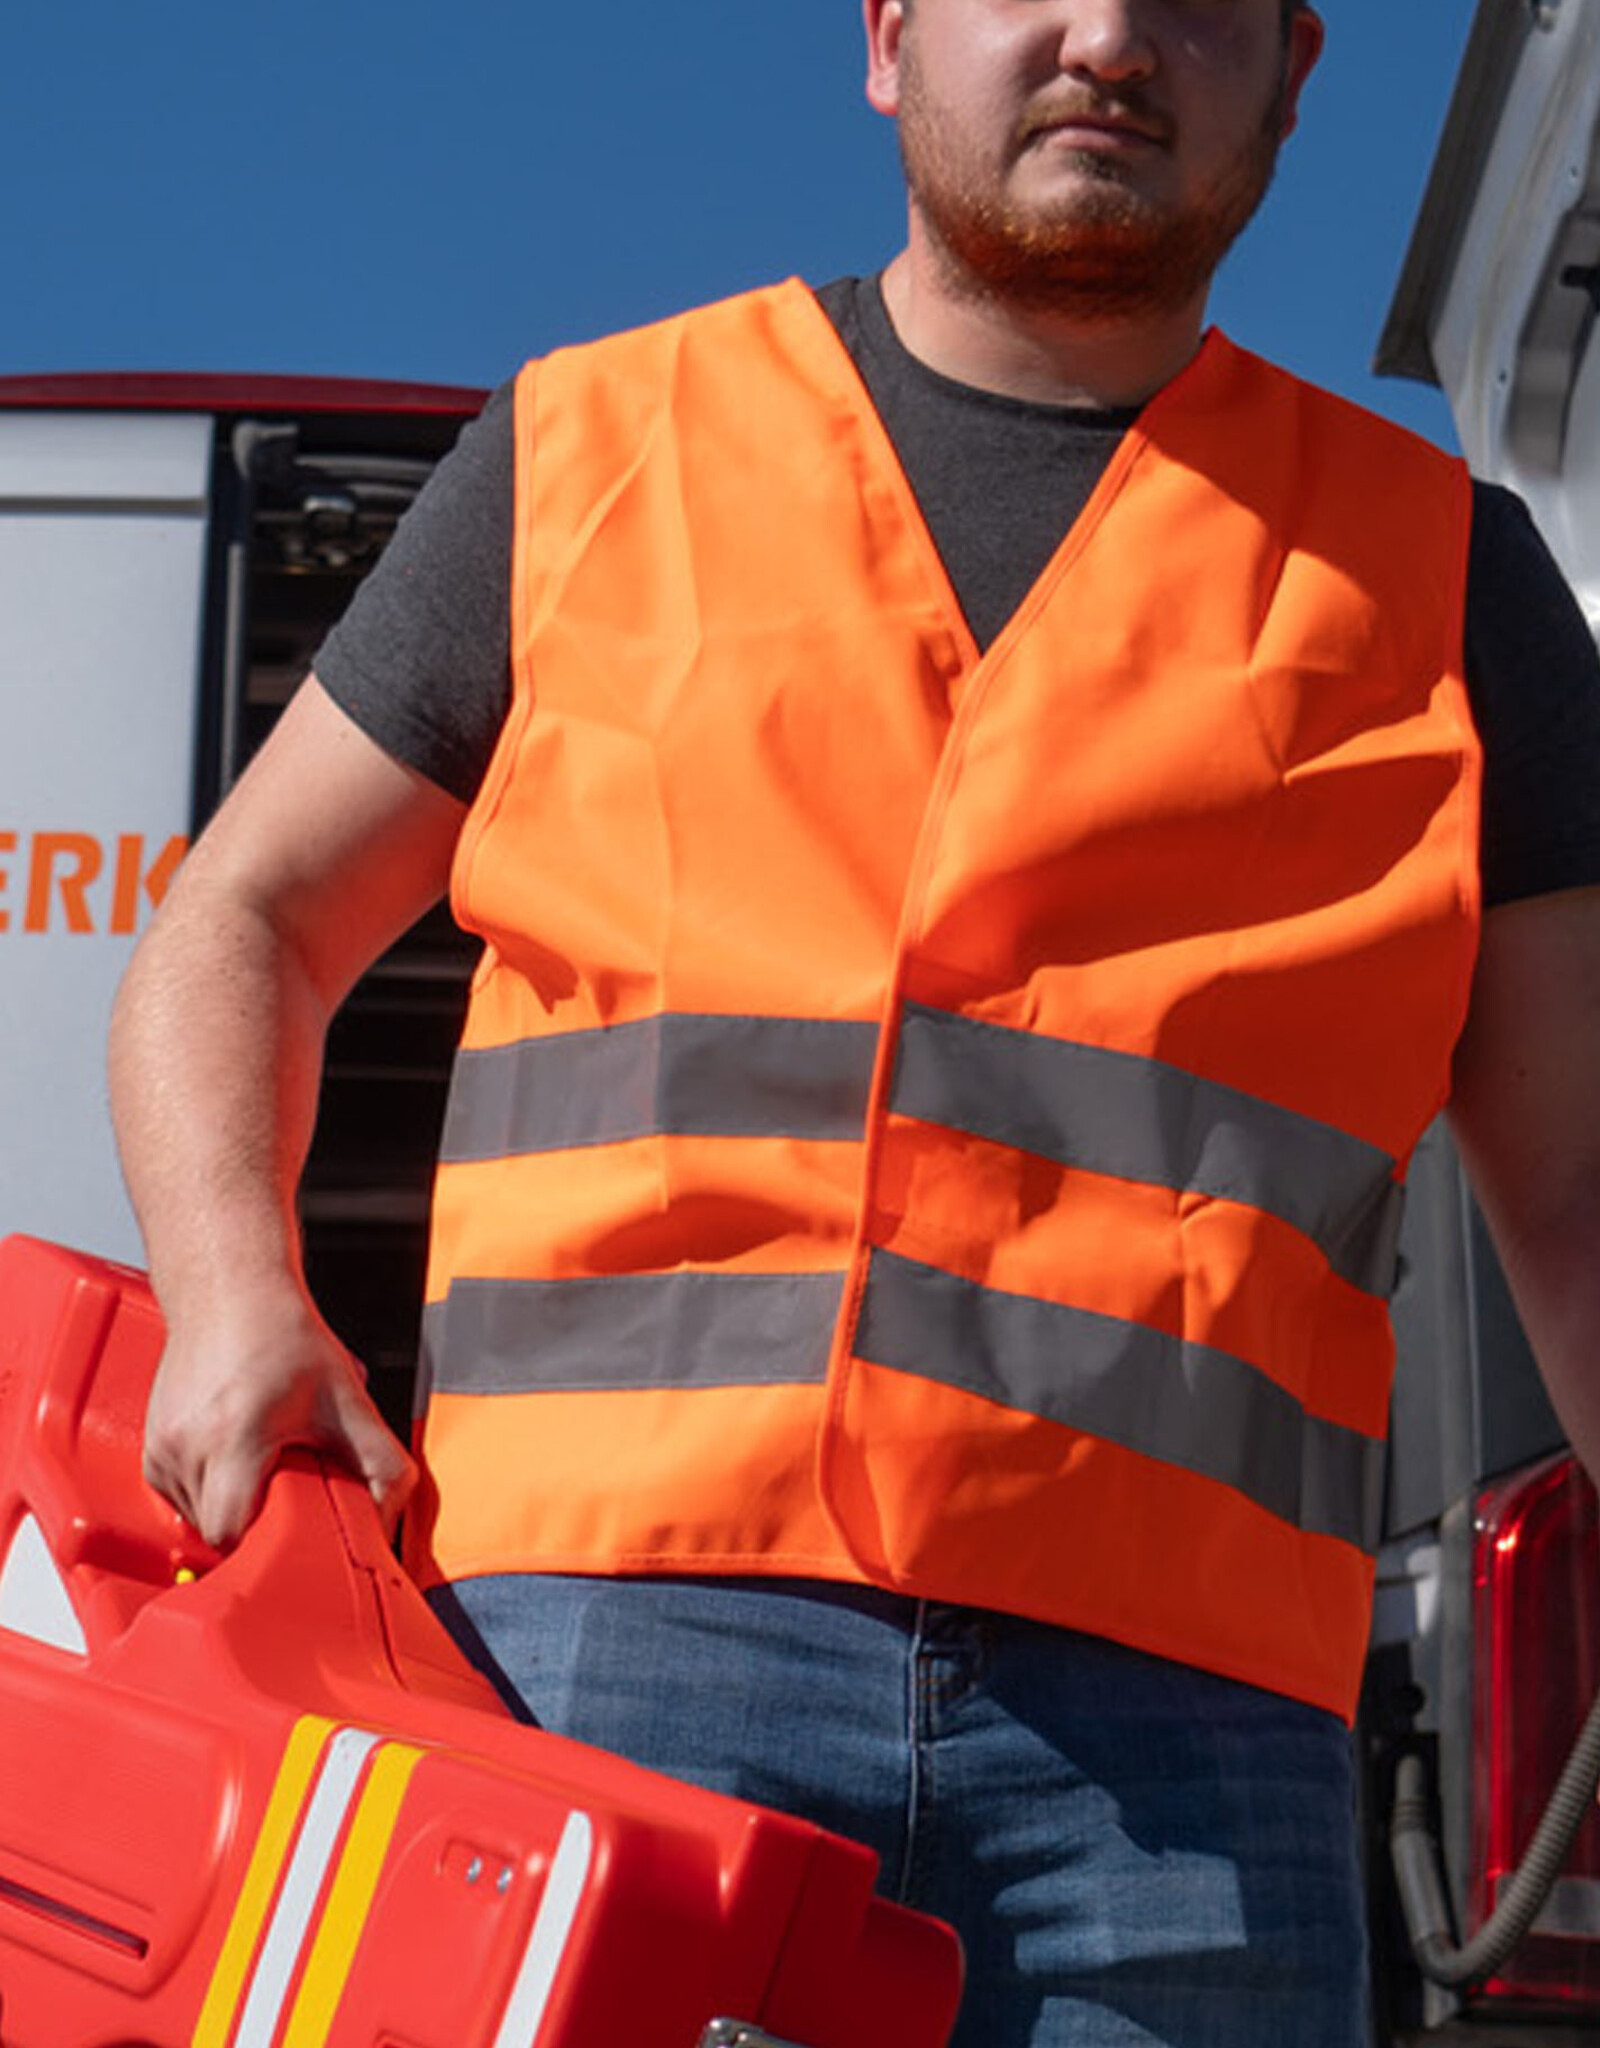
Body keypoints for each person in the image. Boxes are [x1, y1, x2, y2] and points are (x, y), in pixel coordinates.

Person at [109, 3, 1600, 2043]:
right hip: (592, 1652)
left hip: (1185, 1769)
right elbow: (244, 917)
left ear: (1289, 75)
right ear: (889, 39)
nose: (1106, 40)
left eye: (1189, 4)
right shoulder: (583, 453)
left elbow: (1582, 1194)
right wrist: (226, 1293)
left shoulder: (1451, 584)